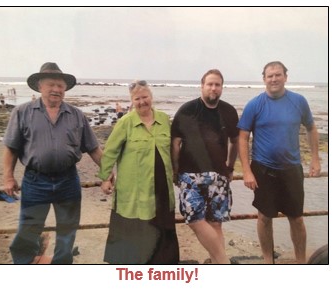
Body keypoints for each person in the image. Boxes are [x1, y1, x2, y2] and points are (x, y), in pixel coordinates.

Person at [3, 62, 104, 264]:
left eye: (60, 85)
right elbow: (11, 147)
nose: (56, 89)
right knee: (28, 228)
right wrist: (8, 177)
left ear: (65, 88)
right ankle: (22, 267)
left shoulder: (76, 115)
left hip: (68, 181)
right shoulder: (22, 112)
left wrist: (107, 172)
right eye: (51, 84)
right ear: (40, 86)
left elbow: (93, 148)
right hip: (34, 181)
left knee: (67, 231)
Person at [238, 61, 321, 264]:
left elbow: (311, 128)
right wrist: (247, 171)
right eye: (270, 76)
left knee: (297, 218)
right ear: (264, 79)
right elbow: (242, 136)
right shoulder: (255, 104)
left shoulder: (298, 101)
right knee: (265, 218)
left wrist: (316, 159)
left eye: (278, 75)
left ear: (285, 76)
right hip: (263, 169)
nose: (274, 79)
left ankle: (301, 262)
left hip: (292, 168)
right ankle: (268, 261)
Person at [98, 80, 179, 264]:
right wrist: (105, 178)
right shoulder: (126, 122)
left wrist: (177, 171)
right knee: (135, 229)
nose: (142, 102)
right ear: (131, 101)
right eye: (137, 99)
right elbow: (110, 151)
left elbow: (174, 148)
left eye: (145, 97)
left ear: (151, 97)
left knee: (161, 229)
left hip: (161, 189)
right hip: (133, 190)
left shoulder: (164, 120)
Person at [171, 69, 239, 264]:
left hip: (219, 175)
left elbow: (237, 141)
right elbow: (175, 142)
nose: (213, 88)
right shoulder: (187, 110)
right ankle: (224, 262)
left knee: (216, 222)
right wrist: (175, 171)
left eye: (217, 85)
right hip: (190, 175)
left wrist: (231, 167)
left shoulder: (228, 111)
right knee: (194, 219)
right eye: (210, 84)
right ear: (202, 86)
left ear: (222, 88)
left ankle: (218, 266)